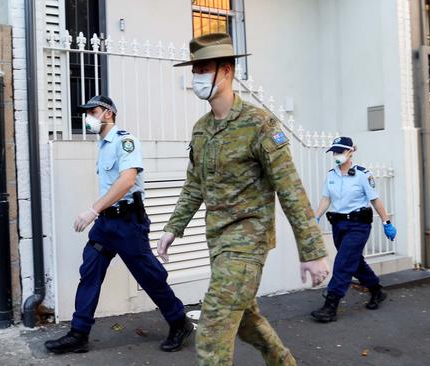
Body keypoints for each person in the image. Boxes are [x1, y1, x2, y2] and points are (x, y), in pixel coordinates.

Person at [158, 33, 330, 366]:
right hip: (218, 241)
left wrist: (312, 251)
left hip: (248, 241)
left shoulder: (259, 124)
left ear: (226, 71)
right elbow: (194, 184)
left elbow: (290, 187)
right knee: (247, 319)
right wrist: (172, 228)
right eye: (194, 69)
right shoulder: (201, 129)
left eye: (203, 68)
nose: (196, 77)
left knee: (212, 327)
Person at [44, 95, 192, 354]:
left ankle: (179, 321)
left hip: (127, 223)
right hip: (106, 224)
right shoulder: (102, 146)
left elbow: (126, 181)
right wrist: (99, 213)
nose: (88, 117)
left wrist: (92, 209)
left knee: (149, 276)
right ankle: (79, 334)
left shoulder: (125, 141)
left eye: (93, 111)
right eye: (86, 112)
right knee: (90, 270)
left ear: (108, 113)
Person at [310, 137, 397, 323]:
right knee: (354, 262)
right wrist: (315, 216)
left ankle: (331, 305)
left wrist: (386, 222)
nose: (337, 155)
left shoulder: (362, 175)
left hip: (358, 225)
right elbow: (326, 199)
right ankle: (377, 290)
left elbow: (375, 199)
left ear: (351, 152)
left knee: (343, 262)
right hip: (339, 225)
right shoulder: (331, 175)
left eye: (340, 151)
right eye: (335, 152)